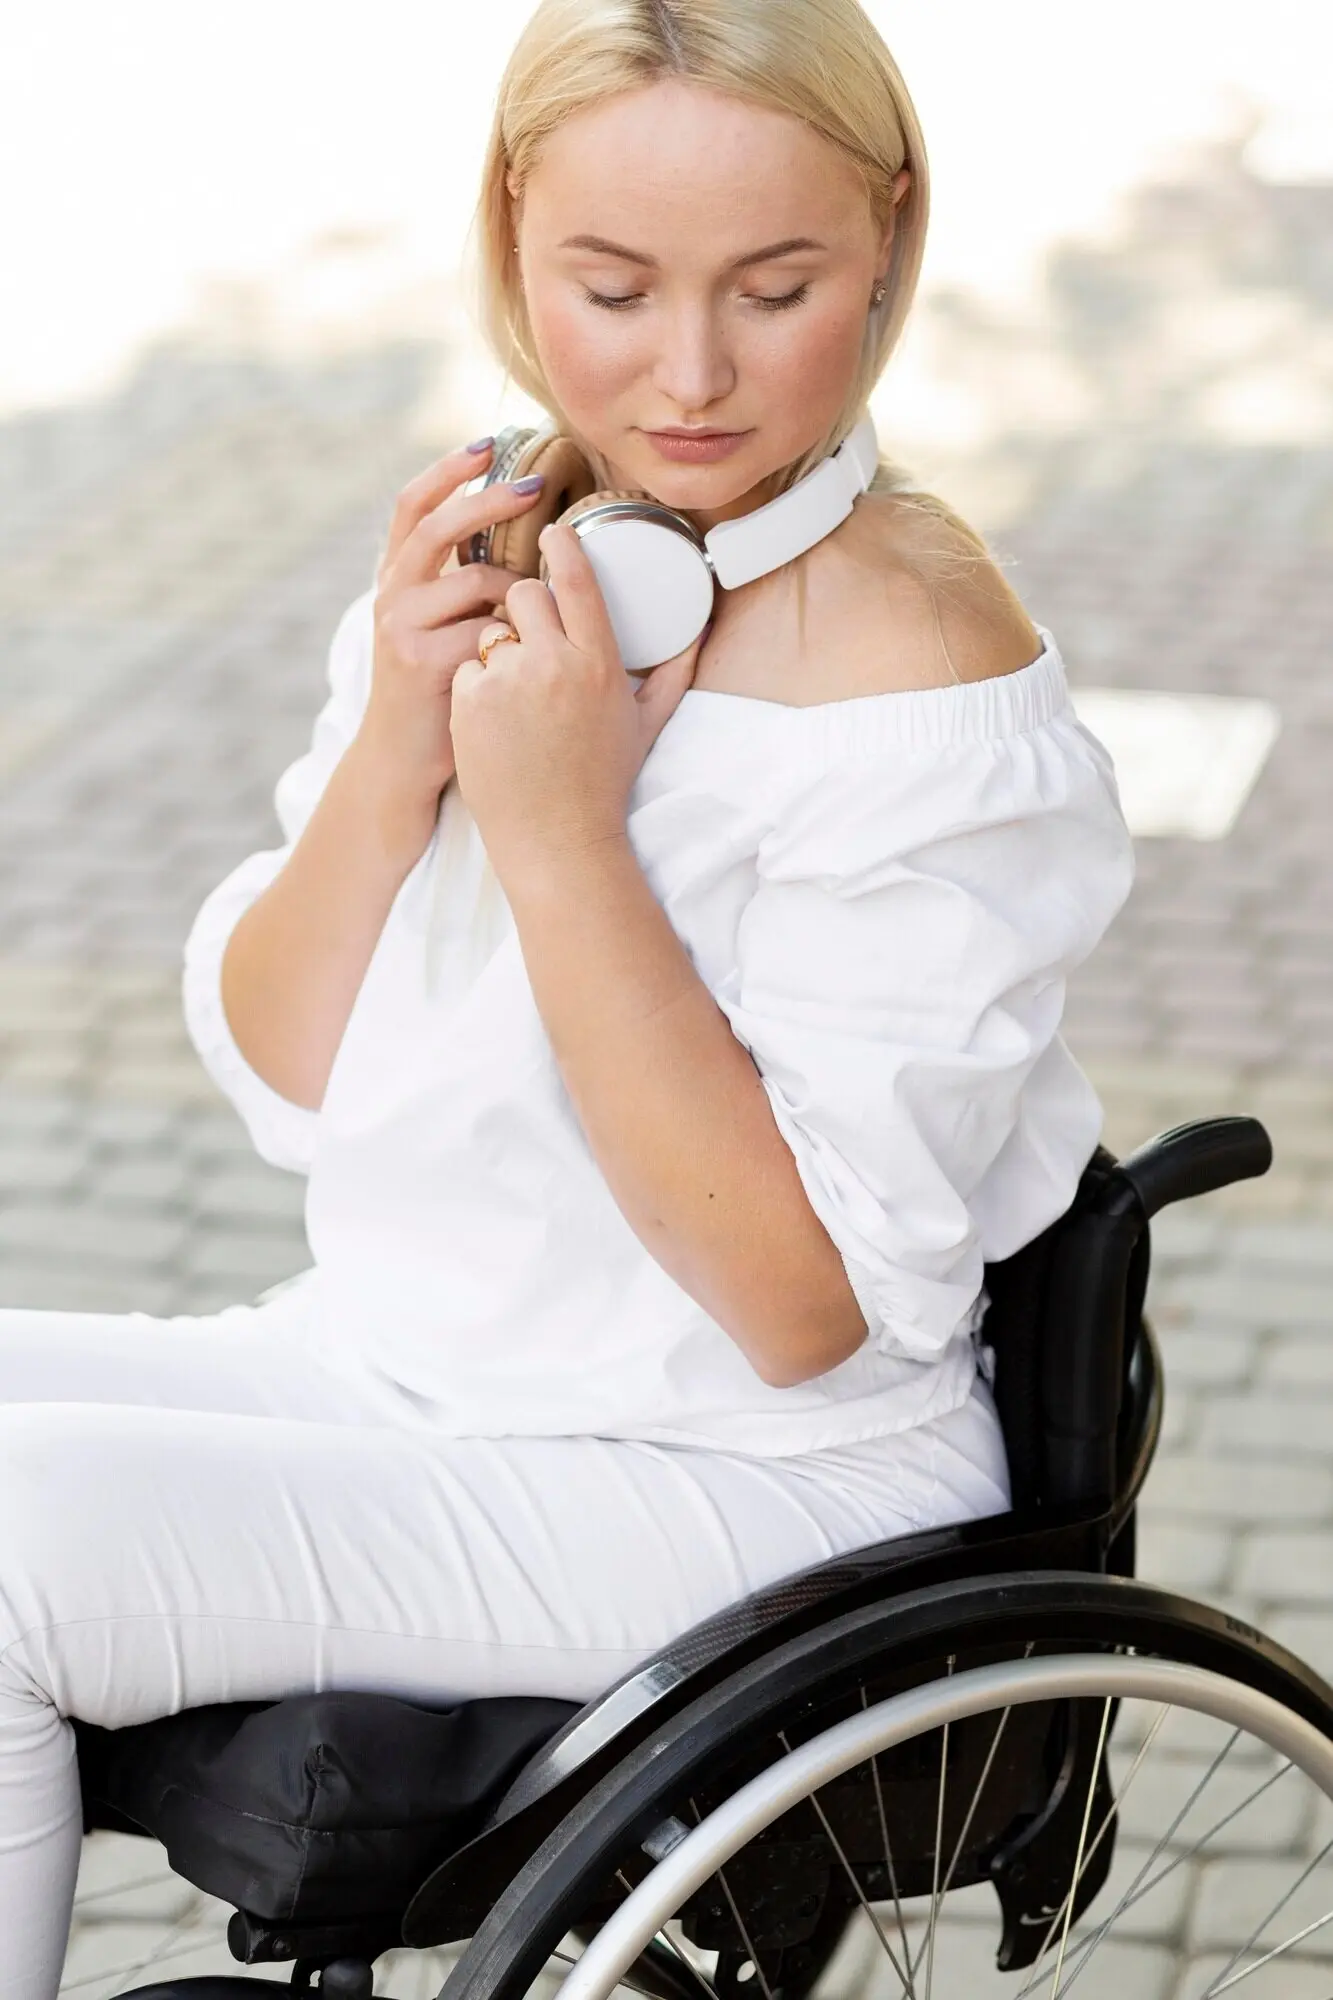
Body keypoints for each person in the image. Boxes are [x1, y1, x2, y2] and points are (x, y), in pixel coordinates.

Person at [0, 1, 1135, 1989]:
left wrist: (562, 838)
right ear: (510, 236)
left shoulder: (921, 678)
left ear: (889, 237)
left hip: (758, 1476)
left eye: (774, 290)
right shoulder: (527, 549)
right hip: (430, 1367)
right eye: (611, 290)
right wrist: (399, 747)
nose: (687, 375)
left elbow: (799, 1308)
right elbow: (286, 1079)